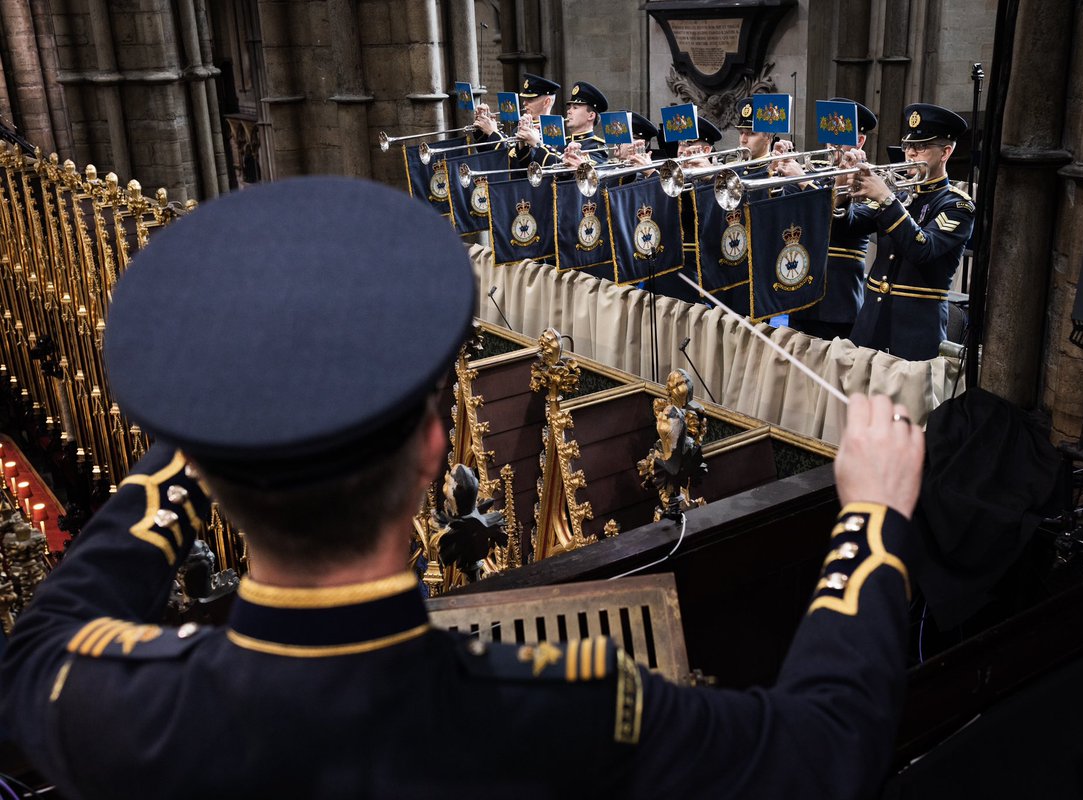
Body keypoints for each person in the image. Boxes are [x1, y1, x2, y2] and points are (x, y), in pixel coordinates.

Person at [0, 176, 924, 799]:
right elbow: (824, 748)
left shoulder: (116, 708)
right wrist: (872, 521)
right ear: (438, 448)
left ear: (209, 475)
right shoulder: (561, 707)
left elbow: (37, 643)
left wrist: (200, 445)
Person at [846, 102, 975, 360]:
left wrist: (886, 199)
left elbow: (922, 249)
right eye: (908, 147)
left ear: (945, 152)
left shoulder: (958, 205)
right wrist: (841, 193)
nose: (911, 154)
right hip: (869, 328)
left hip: (915, 336)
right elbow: (850, 228)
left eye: (921, 147)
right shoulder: (898, 194)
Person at [791, 97, 879, 340]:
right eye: (830, 137)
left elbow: (842, 225)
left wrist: (804, 183)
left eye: (840, 139)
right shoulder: (813, 171)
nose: (832, 146)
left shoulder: (872, 181)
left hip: (838, 301)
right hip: (799, 289)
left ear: (860, 140)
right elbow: (792, 216)